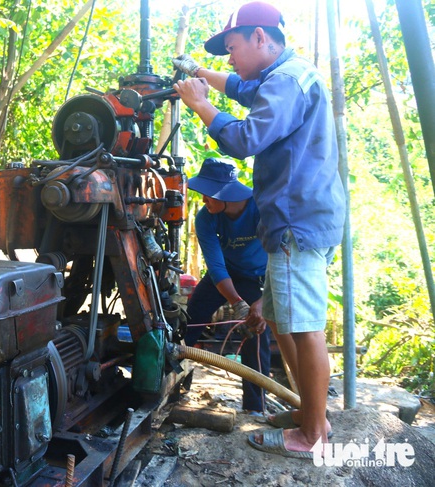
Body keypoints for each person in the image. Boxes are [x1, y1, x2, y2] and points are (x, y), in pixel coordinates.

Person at [173, 1, 345, 459]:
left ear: (260, 38)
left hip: (295, 220)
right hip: (298, 216)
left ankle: (313, 436)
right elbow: (244, 87)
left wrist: (202, 107)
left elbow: (246, 139)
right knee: (284, 325)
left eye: (232, 48)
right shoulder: (286, 74)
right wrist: (200, 74)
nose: (229, 60)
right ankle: (311, 414)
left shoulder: (286, 82)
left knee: (303, 328)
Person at [185, 158, 271, 415]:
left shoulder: (262, 209)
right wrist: (238, 304)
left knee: (257, 333)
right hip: (223, 276)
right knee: (192, 318)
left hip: (259, 278)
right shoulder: (206, 219)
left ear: (224, 194)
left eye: (207, 195)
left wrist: (263, 302)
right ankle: (174, 383)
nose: (203, 201)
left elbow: (282, 257)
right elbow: (216, 267)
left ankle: (255, 406)